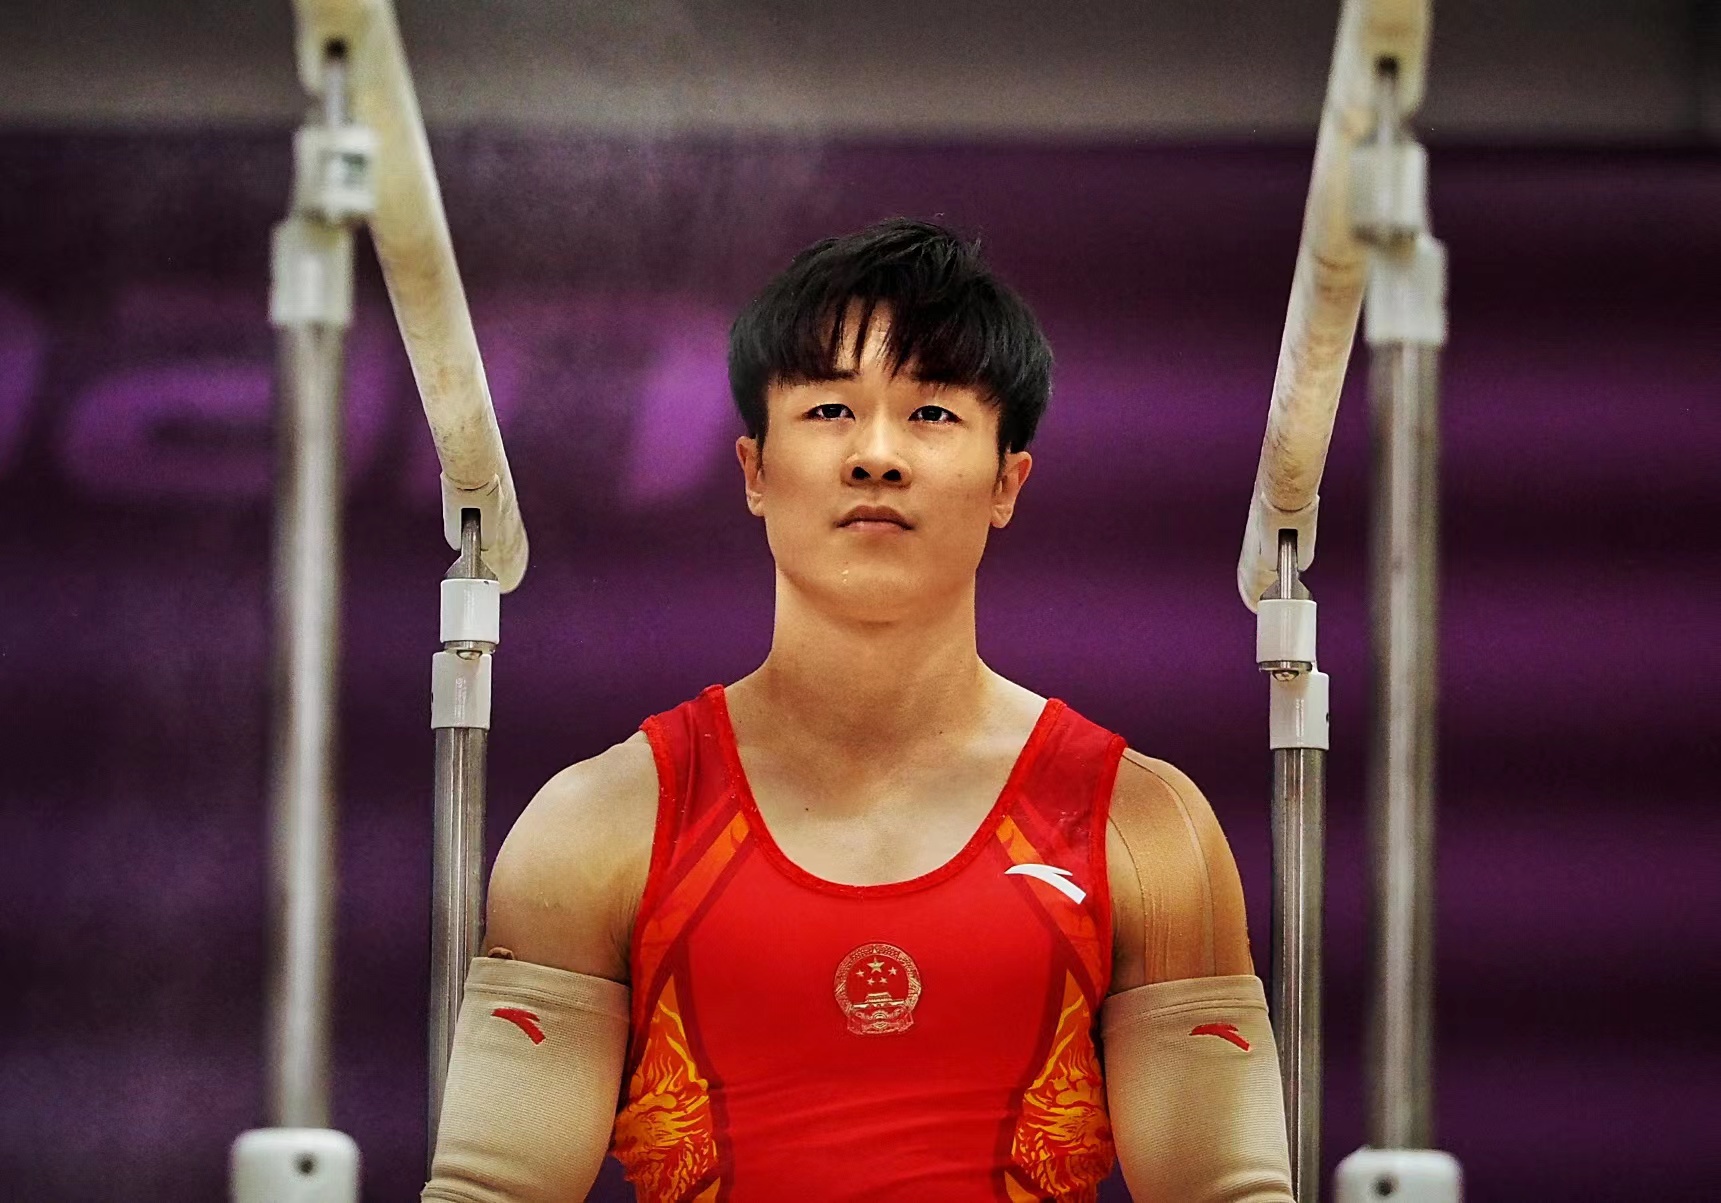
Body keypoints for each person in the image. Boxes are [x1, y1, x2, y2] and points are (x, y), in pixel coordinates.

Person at [423, 219, 1293, 1202]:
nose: (876, 455)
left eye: (932, 413)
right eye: (831, 408)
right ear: (754, 470)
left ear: (1007, 481)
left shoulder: (1141, 828)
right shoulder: (599, 825)